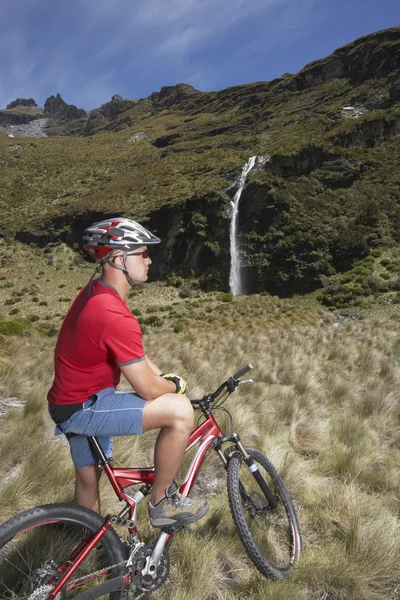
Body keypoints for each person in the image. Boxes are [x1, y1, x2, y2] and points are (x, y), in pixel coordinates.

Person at [47, 217, 208, 528]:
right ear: (119, 259)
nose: (148, 260)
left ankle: (89, 546)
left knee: (88, 479)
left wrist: (166, 379)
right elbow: (148, 389)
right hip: (86, 406)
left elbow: (136, 357)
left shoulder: (98, 292)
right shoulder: (112, 313)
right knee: (180, 413)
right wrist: (174, 388)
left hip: (67, 402)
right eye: (142, 253)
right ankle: (162, 503)